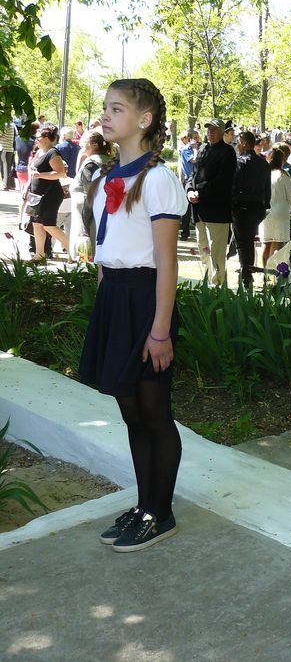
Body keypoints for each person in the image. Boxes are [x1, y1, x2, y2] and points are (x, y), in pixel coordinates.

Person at [79, 78, 188, 552]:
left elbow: (167, 261)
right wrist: (106, 310)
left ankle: (160, 513)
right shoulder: (105, 180)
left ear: (143, 120)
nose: (105, 115)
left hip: (146, 302)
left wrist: (159, 330)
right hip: (115, 301)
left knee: (153, 411)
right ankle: (145, 503)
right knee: (129, 411)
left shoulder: (159, 180)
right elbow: (107, 254)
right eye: (104, 107)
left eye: (116, 108)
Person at [187, 118, 237, 285]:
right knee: (204, 249)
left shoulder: (227, 152)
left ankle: (218, 287)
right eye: (208, 129)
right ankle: (208, 283)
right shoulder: (202, 149)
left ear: (222, 132)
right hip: (200, 209)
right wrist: (189, 191)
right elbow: (193, 175)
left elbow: (223, 181)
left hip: (217, 211)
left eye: (214, 129)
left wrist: (199, 192)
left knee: (216, 251)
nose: (210, 132)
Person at [231, 131, 271, 290]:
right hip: (257, 208)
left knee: (243, 243)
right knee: (248, 242)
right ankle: (247, 272)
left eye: (239, 142)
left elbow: (234, 185)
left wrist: (232, 205)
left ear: (244, 143)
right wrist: (265, 205)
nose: (237, 145)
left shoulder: (241, 162)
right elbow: (267, 189)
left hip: (242, 208)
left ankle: (246, 274)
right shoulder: (263, 163)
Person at [25, 124, 70, 261]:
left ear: (47, 138)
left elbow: (61, 173)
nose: (36, 140)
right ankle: (39, 255)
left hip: (50, 195)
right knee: (37, 224)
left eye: (38, 137)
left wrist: (39, 175)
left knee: (49, 225)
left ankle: (73, 250)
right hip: (38, 196)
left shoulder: (53, 153)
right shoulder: (41, 152)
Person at [71, 129, 114, 259]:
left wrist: (85, 229)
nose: (81, 145)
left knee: (87, 252)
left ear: (94, 145)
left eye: (84, 142)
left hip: (88, 214)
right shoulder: (111, 160)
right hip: (103, 210)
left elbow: (89, 191)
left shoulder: (92, 163)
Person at [261, 148, 291, 267]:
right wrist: (287, 209)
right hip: (281, 211)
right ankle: (275, 272)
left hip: (266, 211)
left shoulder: (264, 173)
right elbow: (290, 197)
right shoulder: (284, 175)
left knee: (266, 243)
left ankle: (264, 272)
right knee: (278, 244)